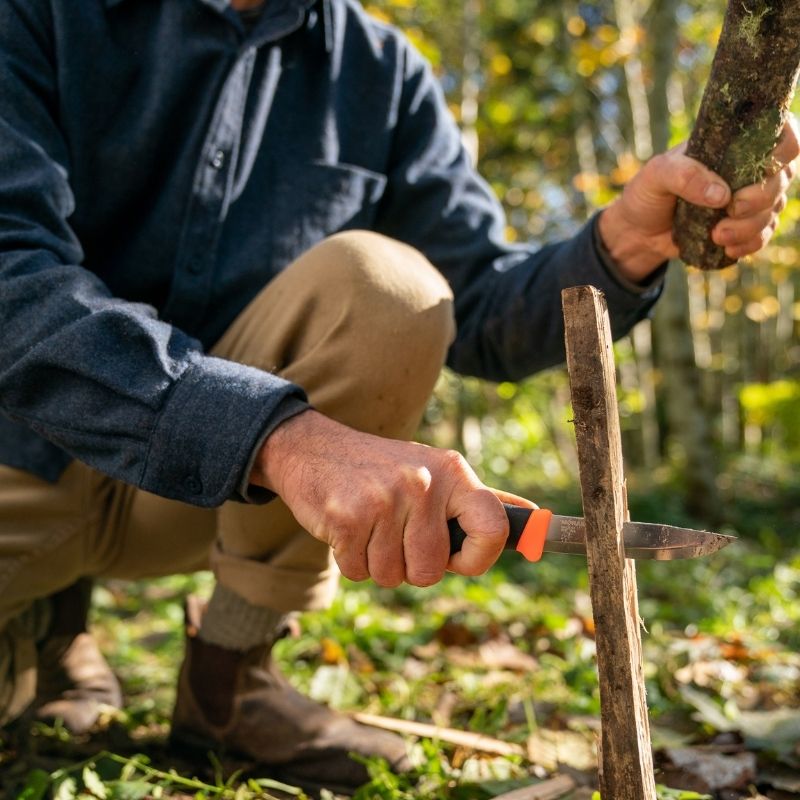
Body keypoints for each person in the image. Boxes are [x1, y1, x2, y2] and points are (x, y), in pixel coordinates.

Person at [0, 0, 796, 792]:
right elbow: (12, 276)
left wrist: (623, 244)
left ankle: (228, 678)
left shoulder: (377, 71)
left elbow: (476, 303)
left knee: (391, 291)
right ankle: (46, 627)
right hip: (19, 468)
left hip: (198, 494)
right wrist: (283, 439)